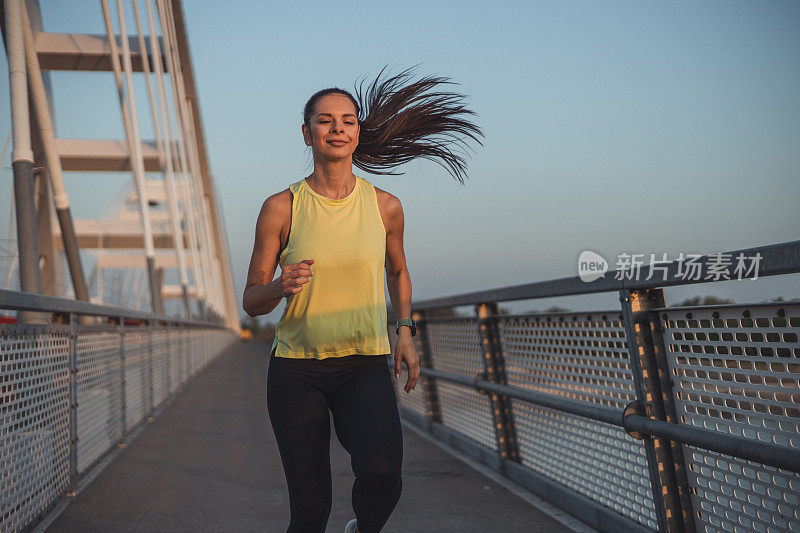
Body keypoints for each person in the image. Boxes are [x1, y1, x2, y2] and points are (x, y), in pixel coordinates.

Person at [242, 66, 482, 533]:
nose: (337, 128)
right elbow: (252, 300)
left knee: (382, 473)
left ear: (358, 131)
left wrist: (405, 332)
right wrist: (279, 286)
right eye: (325, 120)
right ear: (306, 132)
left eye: (348, 120)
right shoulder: (281, 207)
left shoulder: (384, 205)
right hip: (296, 368)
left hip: (364, 363)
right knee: (310, 509)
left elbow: (398, 270)